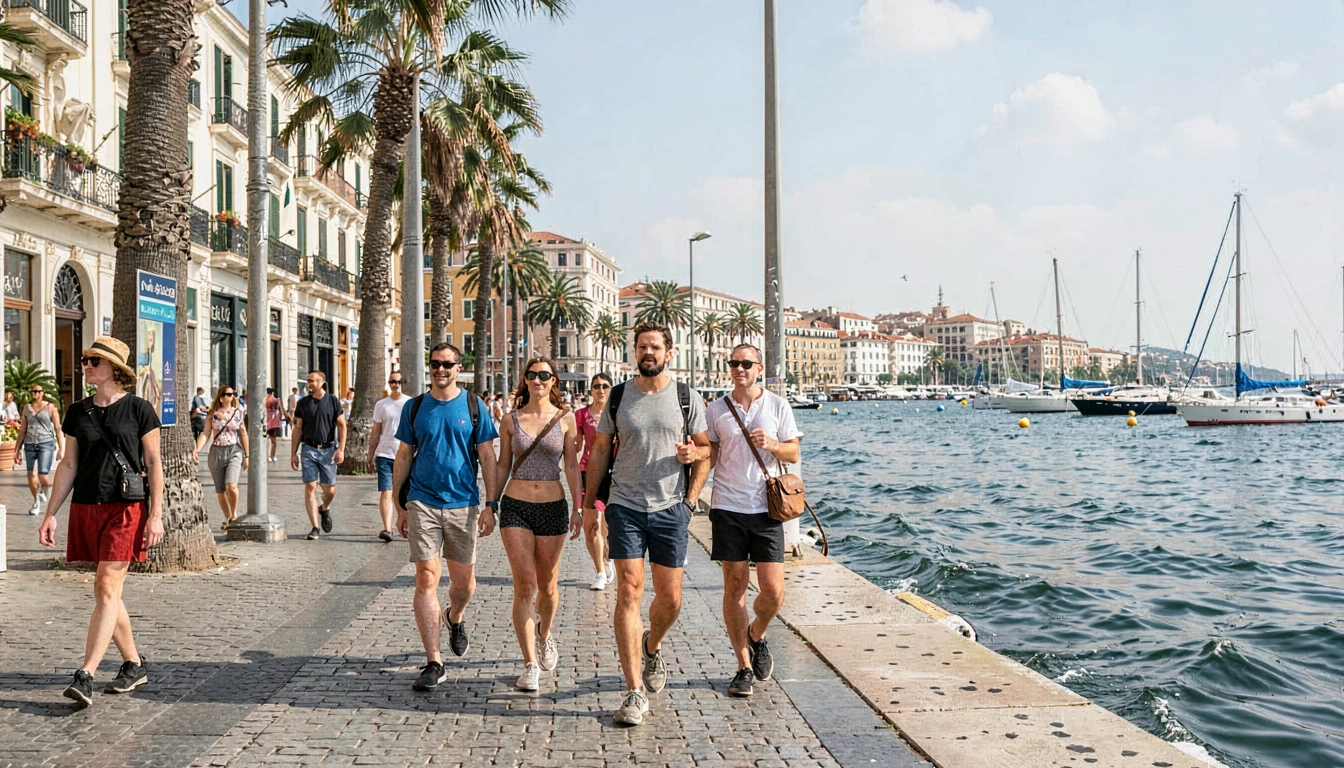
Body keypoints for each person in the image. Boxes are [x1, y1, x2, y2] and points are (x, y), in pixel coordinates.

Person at [582, 321, 709, 727]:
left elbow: (707, 448)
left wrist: (691, 497)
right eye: (642, 347)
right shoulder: (619, 397)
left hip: (672, 507)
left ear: (670, 353)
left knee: (670, 600)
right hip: (626, 505)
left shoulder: (687, 398)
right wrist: (589, 504)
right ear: (634, 352)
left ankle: (651, 644)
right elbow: (601, 450)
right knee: (629, 591)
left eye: (655, 347)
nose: (648, 352)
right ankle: (634, 690)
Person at [38, 335, 163, 709]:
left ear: (115, 370)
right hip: (87, 505)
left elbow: (154, 463)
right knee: (107, 592)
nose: (86, 365)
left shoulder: (140, 409)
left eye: (94, 361)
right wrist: (50, 514)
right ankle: (134, 663)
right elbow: (69, 464)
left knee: (107, 585)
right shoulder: (77, 411)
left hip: (127, 507)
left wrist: (156, 514)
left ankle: (87, 673)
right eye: (84, 360)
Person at [392, 343, 499, 692]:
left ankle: (455, 616)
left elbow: (487, 456)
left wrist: (490, 504)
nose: (440, 370)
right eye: (435, 364)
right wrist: (399, 505)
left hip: (463, 503)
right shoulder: (415, 407)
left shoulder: (473, 405)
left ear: (458, 368)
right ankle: (434, 661)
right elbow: (404, 455)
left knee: (464, 585)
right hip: (422, 501)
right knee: (426, 577)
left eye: (447, 364)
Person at [706, 344, 802, 697]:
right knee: (734, 587)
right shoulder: (716, 409)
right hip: (727, 507)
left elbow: (793, 450)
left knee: (774, 591)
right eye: (734, 363)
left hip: (766, 508)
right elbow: (711, 453)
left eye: (746, 364)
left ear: (759, 368)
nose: (739, 369)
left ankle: (756, 632)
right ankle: (743, 666)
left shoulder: (777, 405)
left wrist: (774, 445)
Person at [496, 358, 582, 692]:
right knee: (526, 585)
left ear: (553, 381)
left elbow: (572, 465)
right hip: (515, 505)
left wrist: (579, 508)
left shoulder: (565, 420)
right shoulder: (510, 420)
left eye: (544, 375)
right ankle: (530, 663)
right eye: (532, 375)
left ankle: (544, 633)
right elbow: (504, 464)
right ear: (525, 380)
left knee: (548, 586)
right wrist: (491, 503)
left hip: (553, 507)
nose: (537, 379)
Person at [290, 371, 346, 541]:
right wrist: (293, 453)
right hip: (309, 449)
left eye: (312, 381)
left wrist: (341, 449)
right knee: (310, 487)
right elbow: (298, 428)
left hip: (329, 449)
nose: (309, 383)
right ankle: (315, 527)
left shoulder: (333, 401)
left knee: (330, 490)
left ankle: (324, 508)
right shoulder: (303, 403)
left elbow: (342, 425)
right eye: (308, 381)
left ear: (321, 382)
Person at [576, 372, 616, 590]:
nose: (600, 390)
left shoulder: (618, 414)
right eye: (596, 386)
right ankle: (600, 571)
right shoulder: (581, 415)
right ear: (590, 390)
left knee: (608, 525)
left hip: (614, 473)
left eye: (605, 386)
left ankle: (608, 557)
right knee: (592, 522)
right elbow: (574, 445)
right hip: (588, 471)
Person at [193, 385, 249, 532]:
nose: (229, 397)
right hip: (216, 451)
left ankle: (234, 514)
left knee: (231, 486)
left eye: (231, 394)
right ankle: (228, 517)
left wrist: (247, 455)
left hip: (234, 450)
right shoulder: (213, 413)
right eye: (226, 394)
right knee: (220, 490)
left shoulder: (238, 412)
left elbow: (243, 433)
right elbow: (206, 433)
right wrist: (197, 449)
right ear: (220, 396)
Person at [368, 371, 410, 543]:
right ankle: (387, 529)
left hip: (406, 454)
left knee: (405, 492)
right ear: (389, 383)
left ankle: (406, 525)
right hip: (385, 453)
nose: (396, 384)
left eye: (399, 381)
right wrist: (371, 455)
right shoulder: (381, 405)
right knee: (387, 491)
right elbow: (376, 431)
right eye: (393, 381)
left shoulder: (410, 403)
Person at [13, 382, 64, 516]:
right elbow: (22, 430)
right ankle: (36, 500)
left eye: (38, 391)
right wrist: (16, 450)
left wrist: (61, 448)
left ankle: (44, 491)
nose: (35, 394)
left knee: (43, 474)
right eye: (33, 392)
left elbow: (58, 428)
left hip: (46, 444)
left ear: (43, 393)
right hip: (30, 444)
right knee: (31, 474)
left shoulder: (50, 408)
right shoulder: (27, 408)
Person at [264, 388, 283, 462]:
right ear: (272, 393)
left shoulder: (265, 401)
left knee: (269, 439)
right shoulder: (276, 400)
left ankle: (268, 455)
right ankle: (273, 455)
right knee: (274, 441)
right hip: (275, 423)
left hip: (267, 422)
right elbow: (281, 410)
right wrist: (281, 417)